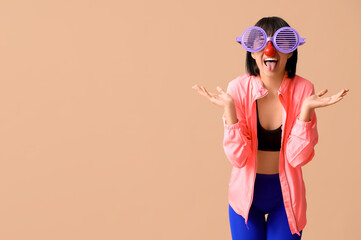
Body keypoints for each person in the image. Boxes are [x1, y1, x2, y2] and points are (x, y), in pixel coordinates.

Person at [192, 16, 349, 240]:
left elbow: (297, 158)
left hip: (286, 197)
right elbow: (238, 158)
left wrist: (305, 112)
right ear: (251, 51)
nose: (269, 49)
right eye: (260, 42)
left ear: (291, 51)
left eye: (281, 41)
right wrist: (230, 112)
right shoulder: (237, 88)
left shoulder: (304, 89)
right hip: (245, 197)